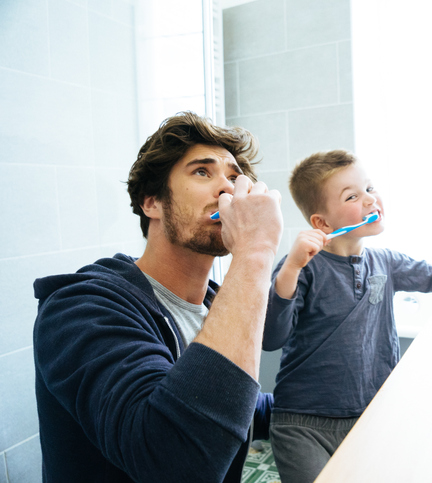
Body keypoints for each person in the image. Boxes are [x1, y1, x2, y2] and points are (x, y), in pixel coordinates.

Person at [33, 111, 283, 482]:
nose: (228, 189)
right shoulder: (80, 307)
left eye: (234, 177)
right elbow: (175, 459)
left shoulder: (218, 304)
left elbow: (240, 405)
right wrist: (256, 252)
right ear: (151, 202)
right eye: (202, 171)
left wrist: (340, 407)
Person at [262, 149, 432, 483]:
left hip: (372, 418)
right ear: (322, 223)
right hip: (302, 425)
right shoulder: (302, 268)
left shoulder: (385, 262)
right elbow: (272, 339)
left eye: (370, 188)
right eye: (353, 196)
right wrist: (290, 268)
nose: (370, 200)